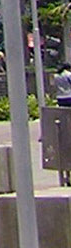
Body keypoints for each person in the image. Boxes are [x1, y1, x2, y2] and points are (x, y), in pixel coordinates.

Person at [54, 59, 71, 187]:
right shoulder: (68, 75)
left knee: (63, 114)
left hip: (60, 98)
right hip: (69, 96)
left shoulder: (56, 76)